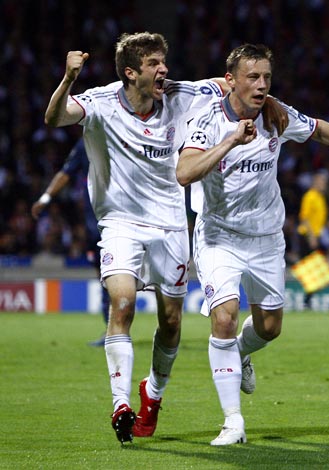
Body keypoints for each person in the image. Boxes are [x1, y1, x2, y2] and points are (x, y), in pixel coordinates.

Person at [44, 32, 288, 444]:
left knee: (171, 323)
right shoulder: (100, 102)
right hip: (120, 222)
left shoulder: (179, 94)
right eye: (155, 63)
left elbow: (234, 83)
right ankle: (121, 402)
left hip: (172, 223)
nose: (165, 70)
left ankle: (152, 394)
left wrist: (271, 101)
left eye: (164, 61)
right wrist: (67, 79)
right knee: (121, 302)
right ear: (130, 72)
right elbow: (53, 118)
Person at [176, 43, 329, 446]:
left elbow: (321, 130)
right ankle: (232, 422)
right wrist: (229, 142)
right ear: (231, 81)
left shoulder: (276, 115)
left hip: (266, 240)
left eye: (267, 77)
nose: (262, 85)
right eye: (253, 77)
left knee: (270, 328)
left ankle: (242, 353)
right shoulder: (206, 119)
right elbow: (184, 172)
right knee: (224, 317)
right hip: (219, 237)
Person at [32, 138, 110, 347]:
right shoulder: (86, 142)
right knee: (103, 275)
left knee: (115, 275)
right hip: (95, 222)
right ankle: (112, 329)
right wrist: (46, 198)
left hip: (126, 218)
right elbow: (66, 172)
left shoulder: (126, 132)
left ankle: (164, 330)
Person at [296, 170, 329, 308]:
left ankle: (308, 300)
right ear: (315, 182)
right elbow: (304, 218)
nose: (324, 185)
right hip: (306, 236)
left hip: (315, 236)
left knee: (315, 270)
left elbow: (318, 220)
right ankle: (307, 301)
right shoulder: (309, 196)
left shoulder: (320, 197)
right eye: (321, 182)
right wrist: (311, 237)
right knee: (312, 270)